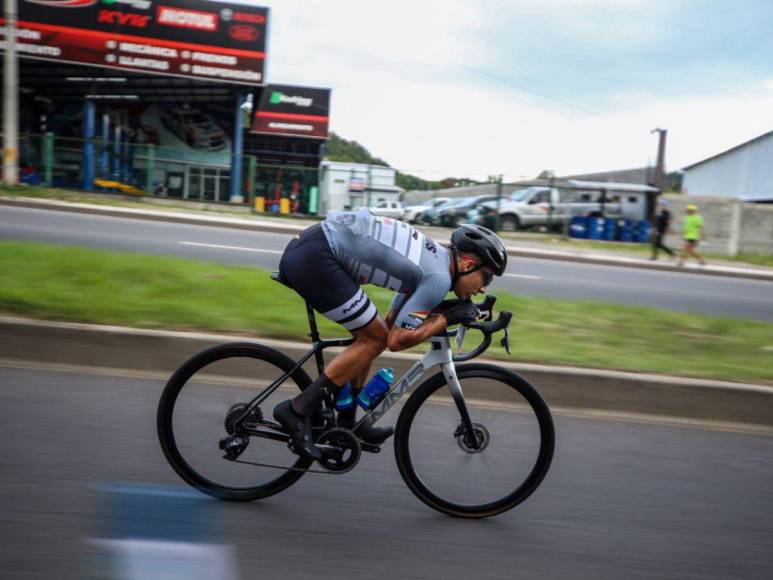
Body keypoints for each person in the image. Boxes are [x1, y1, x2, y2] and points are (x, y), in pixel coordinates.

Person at [273, 209, 507, 460]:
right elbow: (396, 341)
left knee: (372, 333)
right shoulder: (439, 279)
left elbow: (395, 320)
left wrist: (449, 310)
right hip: (316, 257)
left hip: (312, 249)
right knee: (374, 339)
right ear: (469, 264)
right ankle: (297, 409)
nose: (483, 288)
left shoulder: (436, 261)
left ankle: (346, 422)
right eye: (487, 278)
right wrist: (448, 317)